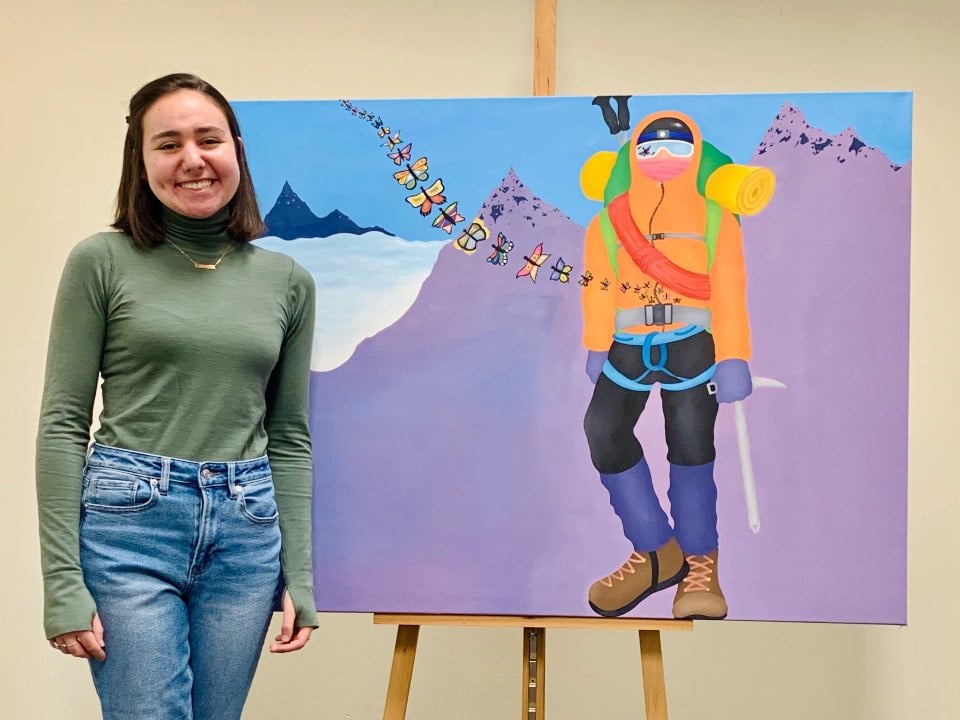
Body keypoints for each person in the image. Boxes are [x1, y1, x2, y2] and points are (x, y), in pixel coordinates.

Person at [35, 73, 317, 719]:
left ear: (236, 151)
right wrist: (61, 582)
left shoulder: (288, 281)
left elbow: (290, 438)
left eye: (208, 139)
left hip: (246, 534)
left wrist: (298, 575)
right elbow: (62, 424)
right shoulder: (100, 261)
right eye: (168, 144)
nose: (192, 158)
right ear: (141, 162)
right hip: (128, 530)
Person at [580, 110, 752, 620]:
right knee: (603, 431)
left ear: (695, 153)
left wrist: (734, 355)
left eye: (676, 147)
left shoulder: (717, 218)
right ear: (633, 155)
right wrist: (596, 344)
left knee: (692, 447)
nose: (662, 157)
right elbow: (599, 285)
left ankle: (700, 563)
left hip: (694, 346)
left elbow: (729, 289)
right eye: (650, 148)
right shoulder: (607, 222)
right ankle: (657, 551)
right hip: (627, 346)